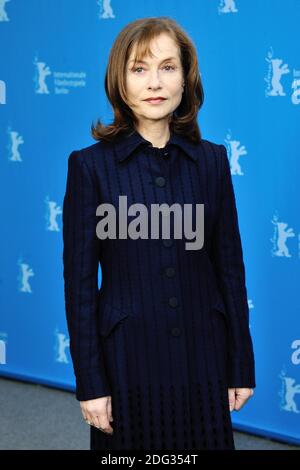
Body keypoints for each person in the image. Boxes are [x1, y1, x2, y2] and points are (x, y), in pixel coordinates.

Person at [62, 16, 256, 451]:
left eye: (168, 67)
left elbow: (230, 269)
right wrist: (90, 383)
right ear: (120, 80)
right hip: (127, 365)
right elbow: (79, 288)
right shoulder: (90, 167)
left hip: (202, 361)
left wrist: (240, 363)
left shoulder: (212, 162)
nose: (155, 82)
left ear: (186, 80)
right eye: (139, 68)